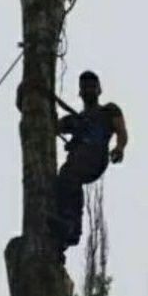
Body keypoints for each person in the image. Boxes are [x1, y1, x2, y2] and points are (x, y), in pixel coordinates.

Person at [51, 70, 127, 248]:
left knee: (69, 174)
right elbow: (56, 126)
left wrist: (119, 148)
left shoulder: (108, 111)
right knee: (62, 182)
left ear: (99, 90)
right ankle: (62, 233)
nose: (89, 90)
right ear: (80, 92)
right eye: (85, 87)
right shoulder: (76, 120)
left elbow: (121, 131)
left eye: (92, 87)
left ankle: (72, 227)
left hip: (95, 157)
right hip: (79, 159)